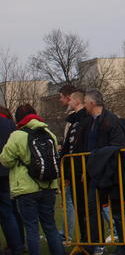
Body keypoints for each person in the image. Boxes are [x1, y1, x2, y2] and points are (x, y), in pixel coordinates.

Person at [0, 104, 64, 255]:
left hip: (26, 188)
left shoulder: (17, 135)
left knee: (32, 228)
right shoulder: (49, 133)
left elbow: (5, 159)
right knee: (50, 226)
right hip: (48, 185)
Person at [75, 89, 125, 255]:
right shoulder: (89, 123)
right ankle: (96, 244)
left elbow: (118, 145)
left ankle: (124, 246)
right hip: (95, 174)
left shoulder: (111, 120)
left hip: (112, 174)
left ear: (92, 103)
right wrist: (87, 169)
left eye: (85, 102)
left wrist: (95, 160)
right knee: (92, 209)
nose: (84, 105)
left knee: (117, 211)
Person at [60, 88, 89, 240]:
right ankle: (85, 241)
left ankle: (95, 243)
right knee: (79, 208)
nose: (68, 102)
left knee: (89, 208)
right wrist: (65, 173)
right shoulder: (73, 122)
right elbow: (67, 148)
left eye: (70, 99)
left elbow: (87, 146)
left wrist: (86, 169)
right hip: (73, 171)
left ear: (77, 101)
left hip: (83, 171)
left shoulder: (86, 119)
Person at [0, 106, 23, 255]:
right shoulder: (11, 125)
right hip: (9, 172)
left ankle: (16, 246)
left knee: (7, 213)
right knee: (11, 211)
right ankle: (18, 244)